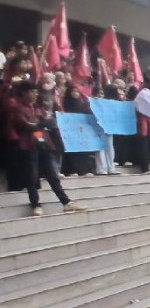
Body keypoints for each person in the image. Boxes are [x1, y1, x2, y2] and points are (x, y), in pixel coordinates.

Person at [12, 81, 86, 216]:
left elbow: (48, 123)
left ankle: (66, 202)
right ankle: (35, 204)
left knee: (52, 175)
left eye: (36, 92)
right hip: (28, 146)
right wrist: (41, 124)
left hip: (42, 144)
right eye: (32, 91)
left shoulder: (37, 109)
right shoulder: (18, 108)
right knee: (32, 176)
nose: (35, 94)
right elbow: (25, 125)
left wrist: (40, 125)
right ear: (24, 93)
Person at [61, 84, 95, 176]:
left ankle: (84, 170)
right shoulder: (65, 103)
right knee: (73, 151)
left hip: (82, 132)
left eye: (77, 91)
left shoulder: (81, 104)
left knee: (83, 151)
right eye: (73, 91)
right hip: (71, 132)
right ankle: (73, 170)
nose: (75, 93)